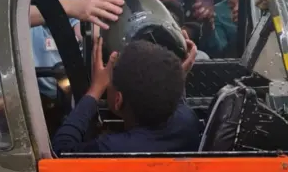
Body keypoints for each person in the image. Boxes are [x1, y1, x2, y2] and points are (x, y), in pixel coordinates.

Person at [52, 37, 200, 153]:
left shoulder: (109, 148)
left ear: (118, 100)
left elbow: (61, 150)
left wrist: (95, 89)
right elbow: (175, 97)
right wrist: (176, 73)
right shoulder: (187, 123)